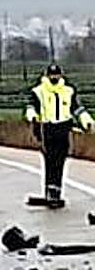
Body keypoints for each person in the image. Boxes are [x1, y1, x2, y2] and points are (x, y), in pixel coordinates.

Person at [25, 62, 94, 209]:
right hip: (47, 128)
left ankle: (56, 191)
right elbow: (32, 107)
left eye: (56, 75)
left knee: (60, 160)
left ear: (61, 75)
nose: (54, 77)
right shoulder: (39, 91)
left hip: (64, 128)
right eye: (52, 75)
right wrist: (32, 116)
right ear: (47, 75)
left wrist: (87, 121)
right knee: (50, 160)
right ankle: (50, 190)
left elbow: (77, 109)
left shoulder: (68, 91)